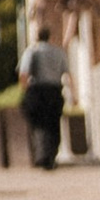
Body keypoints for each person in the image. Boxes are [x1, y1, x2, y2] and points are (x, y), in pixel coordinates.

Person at [19, 25, 67, 170]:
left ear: (37, 37)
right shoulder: (59, 52)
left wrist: (25, 90)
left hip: (37, 91)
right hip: (55, 91)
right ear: (49, 37)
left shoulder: (32, 51)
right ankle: (51, 155)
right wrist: (75, 95)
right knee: (53, 123)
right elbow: (67, 74)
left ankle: (41, 155)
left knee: (38, 123)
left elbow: (24, 73)